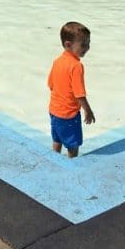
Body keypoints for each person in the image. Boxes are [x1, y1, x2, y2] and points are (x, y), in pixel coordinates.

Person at [47, 22, 95, 158]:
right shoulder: (76, 66)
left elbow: (50, 84)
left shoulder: (57, 61)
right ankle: (71, 166)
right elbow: (79, 93)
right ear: (68, 45)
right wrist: (88, 110)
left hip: (54, 112)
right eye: (83, 44)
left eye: (88, 43)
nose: (87, 48)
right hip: (68, 115)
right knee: (73, 145)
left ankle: (53, 160)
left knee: (57, 139)